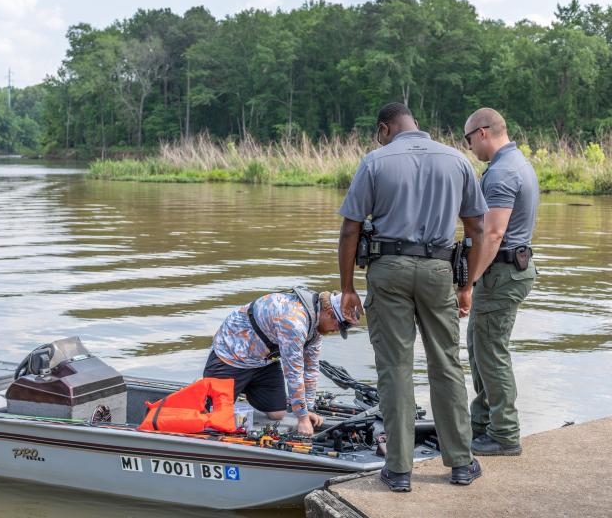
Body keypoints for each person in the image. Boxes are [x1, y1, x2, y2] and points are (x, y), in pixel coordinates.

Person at [337, 102, 487, 492]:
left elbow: (350, 230)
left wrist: (348, 287)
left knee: (395, 368)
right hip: (440, 270)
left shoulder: (374, 162)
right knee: (446, 364)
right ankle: (461, 464)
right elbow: (478, 229)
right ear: (416, 124)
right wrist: (467, 284)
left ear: (385, 128)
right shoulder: (457, 161)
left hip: (388, 271)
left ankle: (399, 470)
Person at [462, 108, 539, 456]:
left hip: (502, 273)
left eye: (468, 141)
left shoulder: (503, 172)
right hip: (508, 270)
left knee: (491, 352)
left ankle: (505, 433)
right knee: (479, 346)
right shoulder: (515, 163)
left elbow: (493, 234)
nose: (469, 149)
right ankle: (481, 422)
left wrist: (469, 280)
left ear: (482, 133)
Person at [203, 287, 349, 437]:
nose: (336, 330)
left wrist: (308, 409)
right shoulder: (294, 323)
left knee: (278, 413)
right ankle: (208, 389)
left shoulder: (316, 326)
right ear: (329, 314)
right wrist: (303, 418)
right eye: (339, 325)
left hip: (262, 362)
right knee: (213, 415)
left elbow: (311, 368)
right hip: (232, 356)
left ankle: (244, 388)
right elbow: (294, 373)